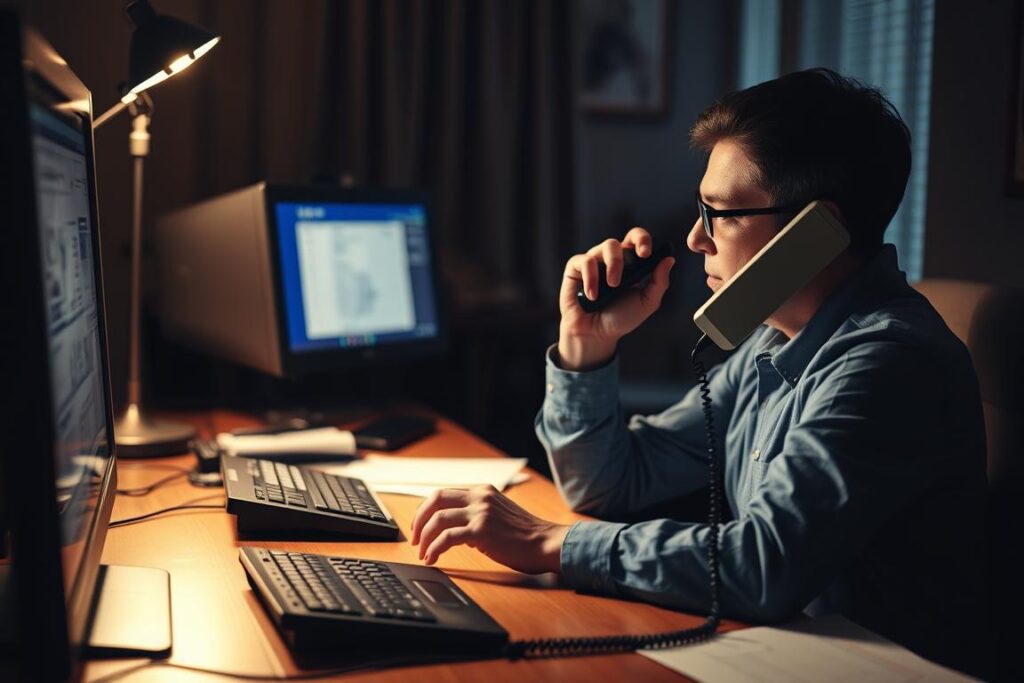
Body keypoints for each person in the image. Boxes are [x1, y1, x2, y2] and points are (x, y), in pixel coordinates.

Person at [410, 68, 987, 675]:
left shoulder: (887, 363)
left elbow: (763, 565)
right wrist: (588, 343)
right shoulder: (774, 339)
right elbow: (609, 484)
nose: (694, 240)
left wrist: (546, 541)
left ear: (817, 232)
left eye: (722, 214)